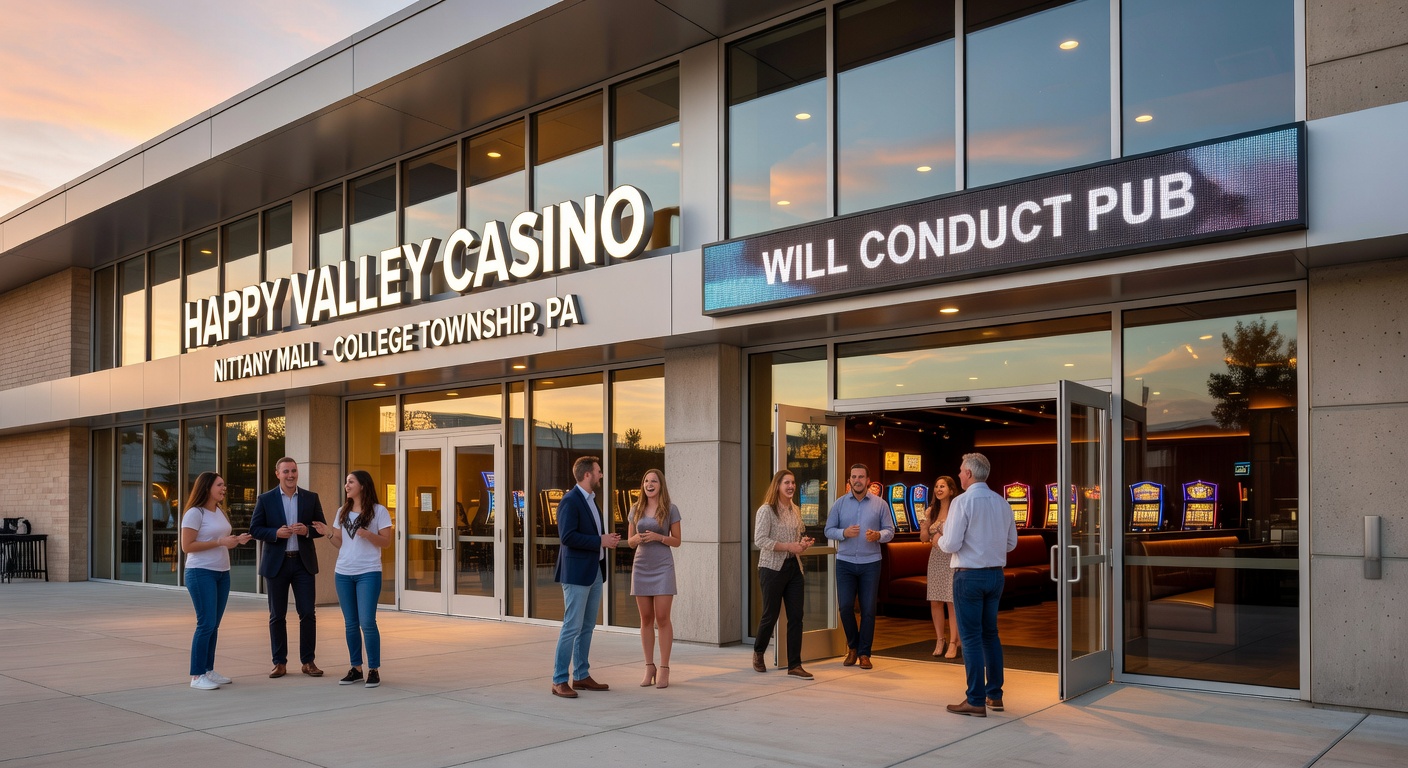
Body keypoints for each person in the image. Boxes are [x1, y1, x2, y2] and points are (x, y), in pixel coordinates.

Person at [938, 453, 1018, 717]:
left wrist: (939, 536)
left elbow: (950, 544)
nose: (959, 475)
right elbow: (1011, 544)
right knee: (990, 634)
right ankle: (994, 695)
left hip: (969, 576)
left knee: (970, 637)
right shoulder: (1002, 502)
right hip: (995, 575)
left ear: (969, 474)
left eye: (961, 471)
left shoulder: (962, 502)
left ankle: (975, 699)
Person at [311, 470, 392, 689]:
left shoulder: (379, 511)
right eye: (346, 482)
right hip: (344, 572)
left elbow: (386, 543)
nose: (346, 485)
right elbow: (340, 543)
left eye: (351, 482)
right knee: (350, 624)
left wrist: (369, 535)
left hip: (368, 572)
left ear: (363, 485)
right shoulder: (342, 511)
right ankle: (356, 668)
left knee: (367, 622)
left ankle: (373, 669)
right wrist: (328, 533)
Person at [249, 457, 326, 678]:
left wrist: (307, 531)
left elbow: (320, 527)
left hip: (303, 563)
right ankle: (279, 663)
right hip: (277, 563)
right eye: (286, 472)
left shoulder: (311, 498)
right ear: (277, 473)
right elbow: (255, 529)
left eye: (293, 471)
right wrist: (275, 533)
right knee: (277, 615)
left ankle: (308, 662)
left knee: (308, 613)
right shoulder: (265, 499)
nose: (290, 475)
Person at [550, 455, 620, 698]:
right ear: (587, 474)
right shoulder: (570, 501)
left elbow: (590, 534)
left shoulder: (591, 500)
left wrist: (605, 540)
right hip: (577, 574)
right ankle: (559, 679)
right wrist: (600, 540)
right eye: (599, 471)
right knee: (572, 626)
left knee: (587, 626)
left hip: (594, 572)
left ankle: (581, 675)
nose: (601, 474)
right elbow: (567, 537)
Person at [179, 472, 251, 690]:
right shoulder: (194, 513)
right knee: (206, 624)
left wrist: (236, 540)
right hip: (201, 572)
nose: (224, 488)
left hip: (222, 573)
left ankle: (208, 670)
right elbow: (187, 546)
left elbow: (220, 540)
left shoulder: (219, 511)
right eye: (220, 485)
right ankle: (197, 675)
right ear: (207, 487)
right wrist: (219, 541)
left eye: (224, 485)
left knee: (214, 625)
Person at [823, 463, 894, 670]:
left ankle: (864, 653)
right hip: (845, 563)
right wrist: (844, 533)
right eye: (853, 476)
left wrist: (878, 535)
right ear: (849, 480)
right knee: (845, 607)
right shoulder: (840, 504)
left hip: (871, 563)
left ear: (868, 480)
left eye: (861, 477)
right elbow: (829, 530)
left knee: (868, 610)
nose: (857, 480)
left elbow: (890, 531)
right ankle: (853, 647)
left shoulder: (880, 504)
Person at [751, 469, 816, 679]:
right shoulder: (766, 510)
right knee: (770, 615)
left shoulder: (795, 509)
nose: (791, 486)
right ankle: (759, 652)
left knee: (797, 616)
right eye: (786, 482)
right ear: (777, 485)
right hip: (771, 568)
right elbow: (760, 540)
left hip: (793, 568)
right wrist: (789, 546)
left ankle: (795, 665)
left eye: (793, 483)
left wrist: (802, 544)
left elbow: (796, 537)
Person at [626, 469, 681, 689]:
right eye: (646, 480)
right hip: (641, 566)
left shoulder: (671, 509)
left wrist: (659, 537)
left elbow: (677, 541)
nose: (649, 484)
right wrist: (637, 538)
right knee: (646, 618)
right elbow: (629, 542)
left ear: (661, 485)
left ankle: (664, 668)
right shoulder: (635, 509)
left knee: (662, 617)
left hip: (663, 567)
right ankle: (649, 667)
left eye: (654, 481)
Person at [919, 475, 962, 659]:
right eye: (936, 486)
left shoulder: (957, 510)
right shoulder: (931, 511)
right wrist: (924, 526)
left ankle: (954, 642)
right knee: (936, 601)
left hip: (952, 558)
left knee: (951, 601)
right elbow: (923, 539)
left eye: (942, 486)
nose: (938, 489)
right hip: (936, 558)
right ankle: (940, 639)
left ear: (951, 490)